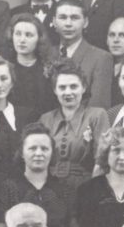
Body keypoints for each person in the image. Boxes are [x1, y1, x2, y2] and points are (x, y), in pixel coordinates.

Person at [0, 124, 74, 227]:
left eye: (44, 148)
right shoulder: (8, 188)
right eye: (32, 148)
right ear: (22, 153)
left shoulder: (64, 189)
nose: (38, 153)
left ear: (52, 153)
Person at [41, 61, 111, 190]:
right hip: (49, 186)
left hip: (83, 186)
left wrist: (93, 190)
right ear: (55, 90)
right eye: (62, 87)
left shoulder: (97, 115)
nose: (68, 92)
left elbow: (102, 159)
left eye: (73, 86)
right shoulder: (45, 119)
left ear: (83, 88)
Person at [52, 0, 116, 110]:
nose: (68, 23)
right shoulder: (47, 54)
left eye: (75, 18)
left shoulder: (101, 58)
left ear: (85, 22)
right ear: (54, 22)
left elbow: (98, 108)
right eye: (63, 17)